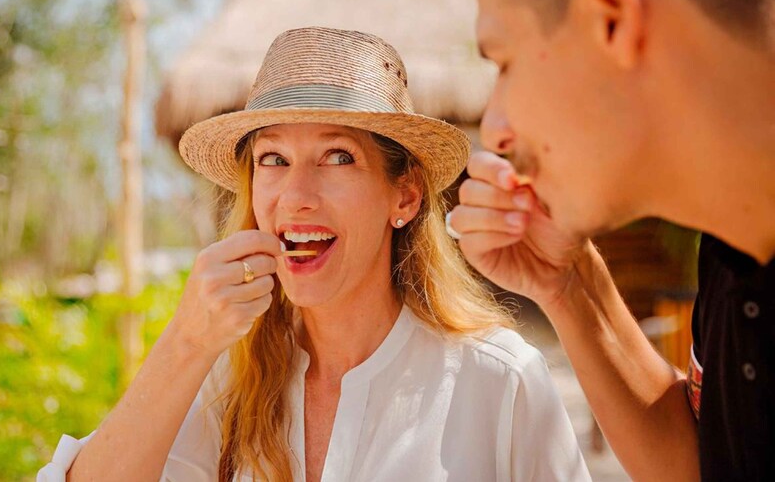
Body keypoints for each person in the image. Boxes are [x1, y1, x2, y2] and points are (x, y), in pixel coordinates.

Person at [39, 27, 589, 482]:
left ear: (405, 194)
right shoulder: (224, 380)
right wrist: (186, 340)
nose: (295, 196)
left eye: (337, 156)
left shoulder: (500, 382)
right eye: (273, 159)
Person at [447, 0, 775, 480]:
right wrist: (567, 284)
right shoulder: (732, 254)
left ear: (610, 12)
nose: (496, 129)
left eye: (504, 62)